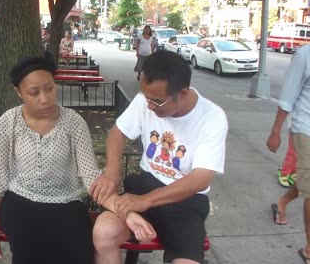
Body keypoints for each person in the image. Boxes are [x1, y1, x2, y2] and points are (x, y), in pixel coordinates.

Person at [0, 56, 155, 264]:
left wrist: (125, 213)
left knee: (80, 256)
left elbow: (92, 178)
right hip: (20, 203)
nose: (44, 99)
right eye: (34, 93)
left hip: (66, 204)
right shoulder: (9, 122)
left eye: (49, 88)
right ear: (19, 93)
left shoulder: (73, 123)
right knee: (30, 256)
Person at [91, 51, 228, 264]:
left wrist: (146, 201)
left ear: (182, 94)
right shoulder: (145, 100)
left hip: (185, 200)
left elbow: (200, 178)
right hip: (145, 184)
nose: (149, 106)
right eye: (146, 97)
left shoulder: (212, 117)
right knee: (103, 232)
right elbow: (117, 133)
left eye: (156, 102)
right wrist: (112, 170)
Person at [266, 44, 310, 262]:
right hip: (306, 128)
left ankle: (282, 202)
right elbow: (287, 97)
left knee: (306, 182)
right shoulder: (305, 54)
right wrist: (276, 131)